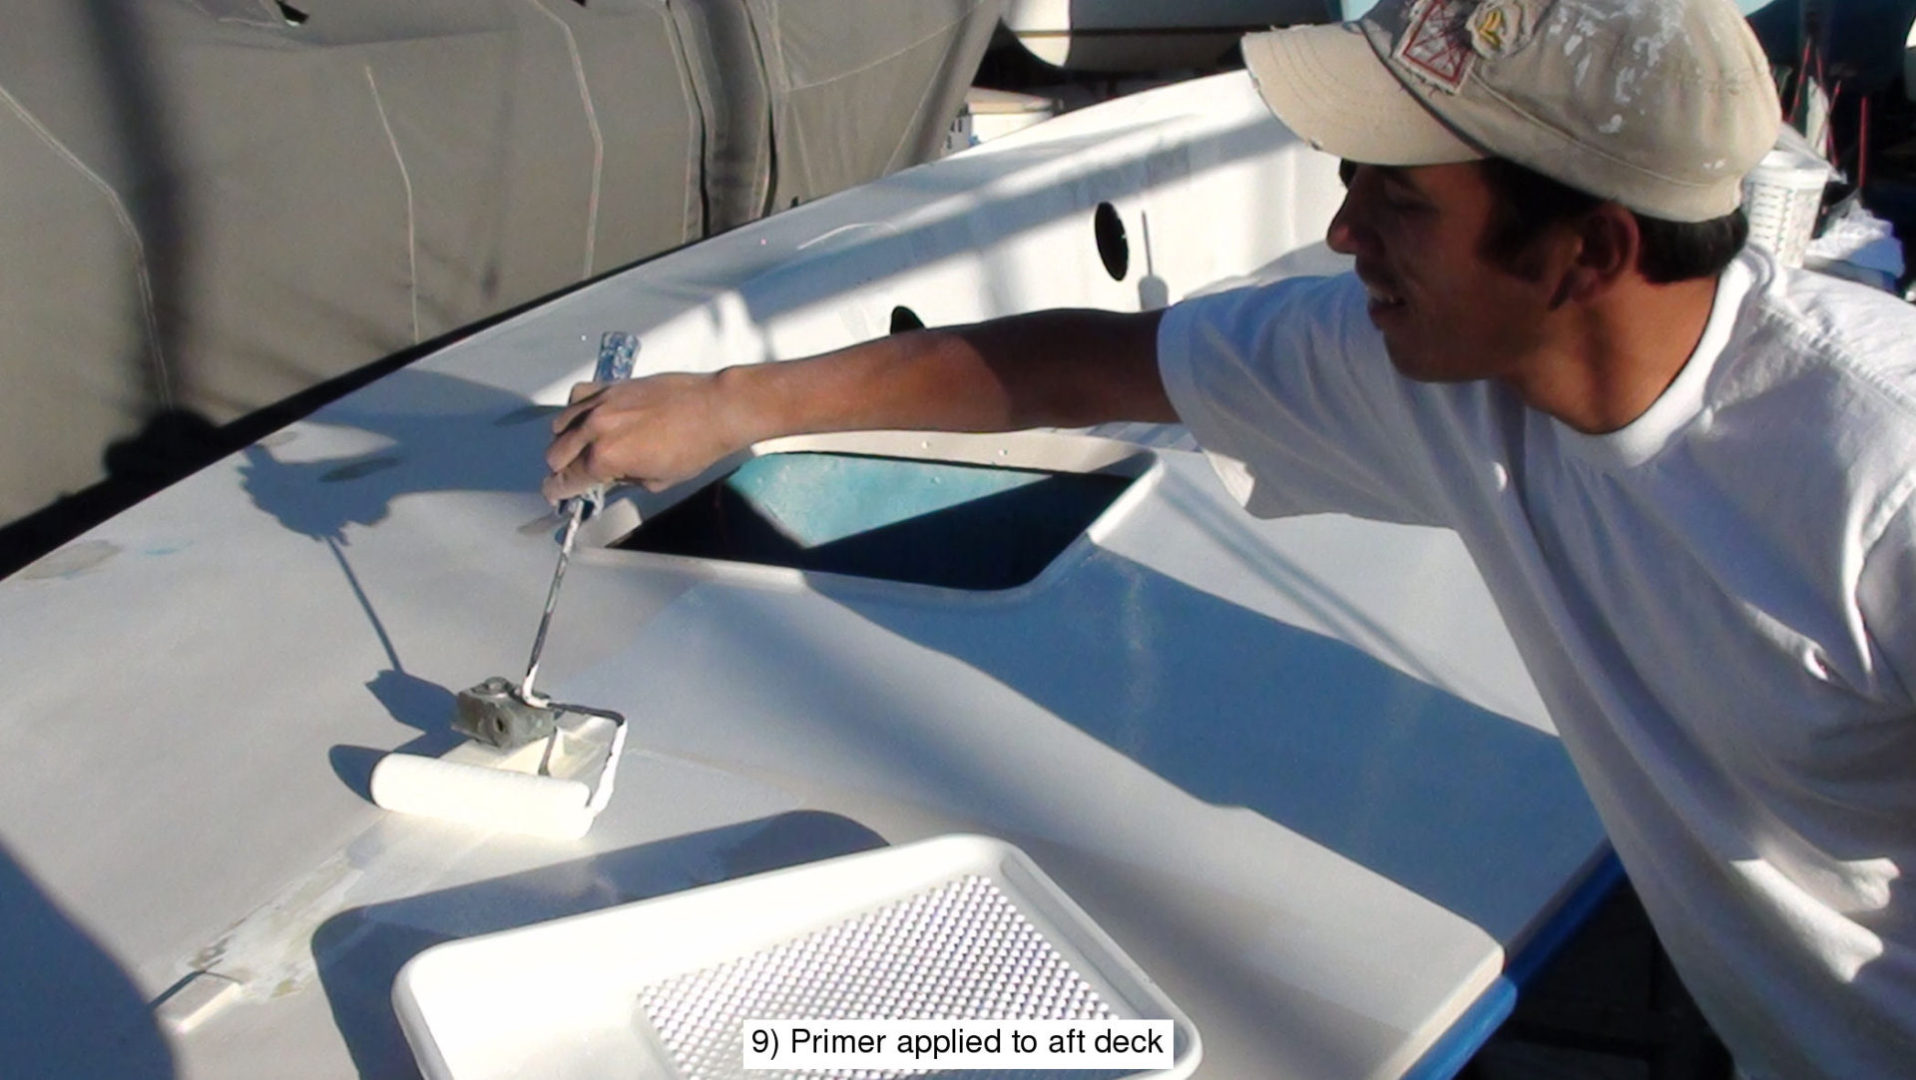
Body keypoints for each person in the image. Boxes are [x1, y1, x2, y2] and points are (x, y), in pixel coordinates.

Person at [543, 0, 1915, 1074]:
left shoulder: (1881, 474)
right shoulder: (1441, 366)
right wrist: (730, 404)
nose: (1337, 230)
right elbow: (1084, 364)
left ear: (1588, 256)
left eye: (1401, 202)